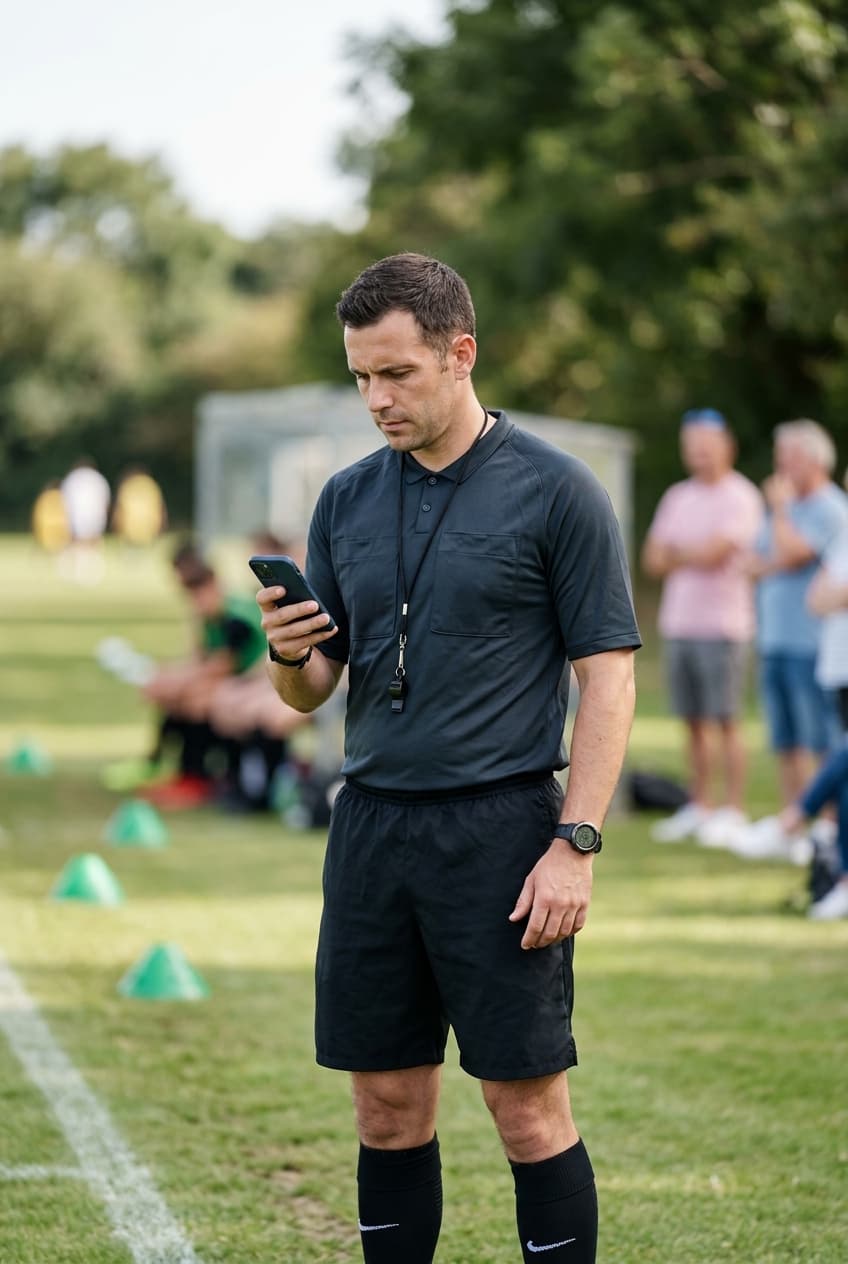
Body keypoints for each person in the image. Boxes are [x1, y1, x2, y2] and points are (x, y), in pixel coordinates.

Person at [257, 253, 641, 1264]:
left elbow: (608, 680)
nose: (376, 399)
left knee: (526, 1109)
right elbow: (312, 688)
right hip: (370, 827)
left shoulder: (558, 491)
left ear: (460, 354)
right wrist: (287, 651)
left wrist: (575, 843)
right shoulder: (344, 498)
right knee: (384, 1106)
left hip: (501, 833)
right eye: (361, 377)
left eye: (397, 373)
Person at [641, 409, 763, 846]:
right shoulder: (678, 496)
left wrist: (680, 552)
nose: (699, 455)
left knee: (725, 720)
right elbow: (652, 559)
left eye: (706, 447)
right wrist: (690, 553)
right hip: (680, 623)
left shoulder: (741, 496)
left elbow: (716, 554)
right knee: (691, 721)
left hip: (723, 627)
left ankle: (733, 809)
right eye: (691, 448)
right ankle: (700, 804)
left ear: (727, 447)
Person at [731, 420, 848, 860]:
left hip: (812, 645)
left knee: (821, 741)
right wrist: (773, 559)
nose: (780, 467)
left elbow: (794, 553)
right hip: (775, 639)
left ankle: (826, 829)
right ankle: (791, 827)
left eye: (790, 458)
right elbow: (760, 560)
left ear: (816, 460)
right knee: (786, 740)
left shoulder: (829, 508)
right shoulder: (786, 508)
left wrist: (779, 513)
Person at [139, 543, 269, 809]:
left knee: (195, 700)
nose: (197, 603)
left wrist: (177, 682)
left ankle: (201, 776)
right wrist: (168, 678)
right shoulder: (211, 617)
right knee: (180, 696)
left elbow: (222, 667)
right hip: (239, 683)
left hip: (259, 684)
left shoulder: (237, 617)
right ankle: (179, 770)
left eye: (199, 595)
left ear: (214, 586)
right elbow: (199, 661)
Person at [60, 457, 111, 583]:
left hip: (76, 514)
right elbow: (105, 498)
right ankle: (92, 569)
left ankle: (76, 568)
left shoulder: (72, 478)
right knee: (93, 542)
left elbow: (64, 498)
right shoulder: (97, 478)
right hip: (95, 513)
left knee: (77, 542)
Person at [111, 466, 167, 546]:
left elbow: (120, 510)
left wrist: (116, 526)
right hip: (149, 530)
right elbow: (160, 507)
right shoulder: (150, 484)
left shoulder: (128, 485)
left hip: (129, 532)